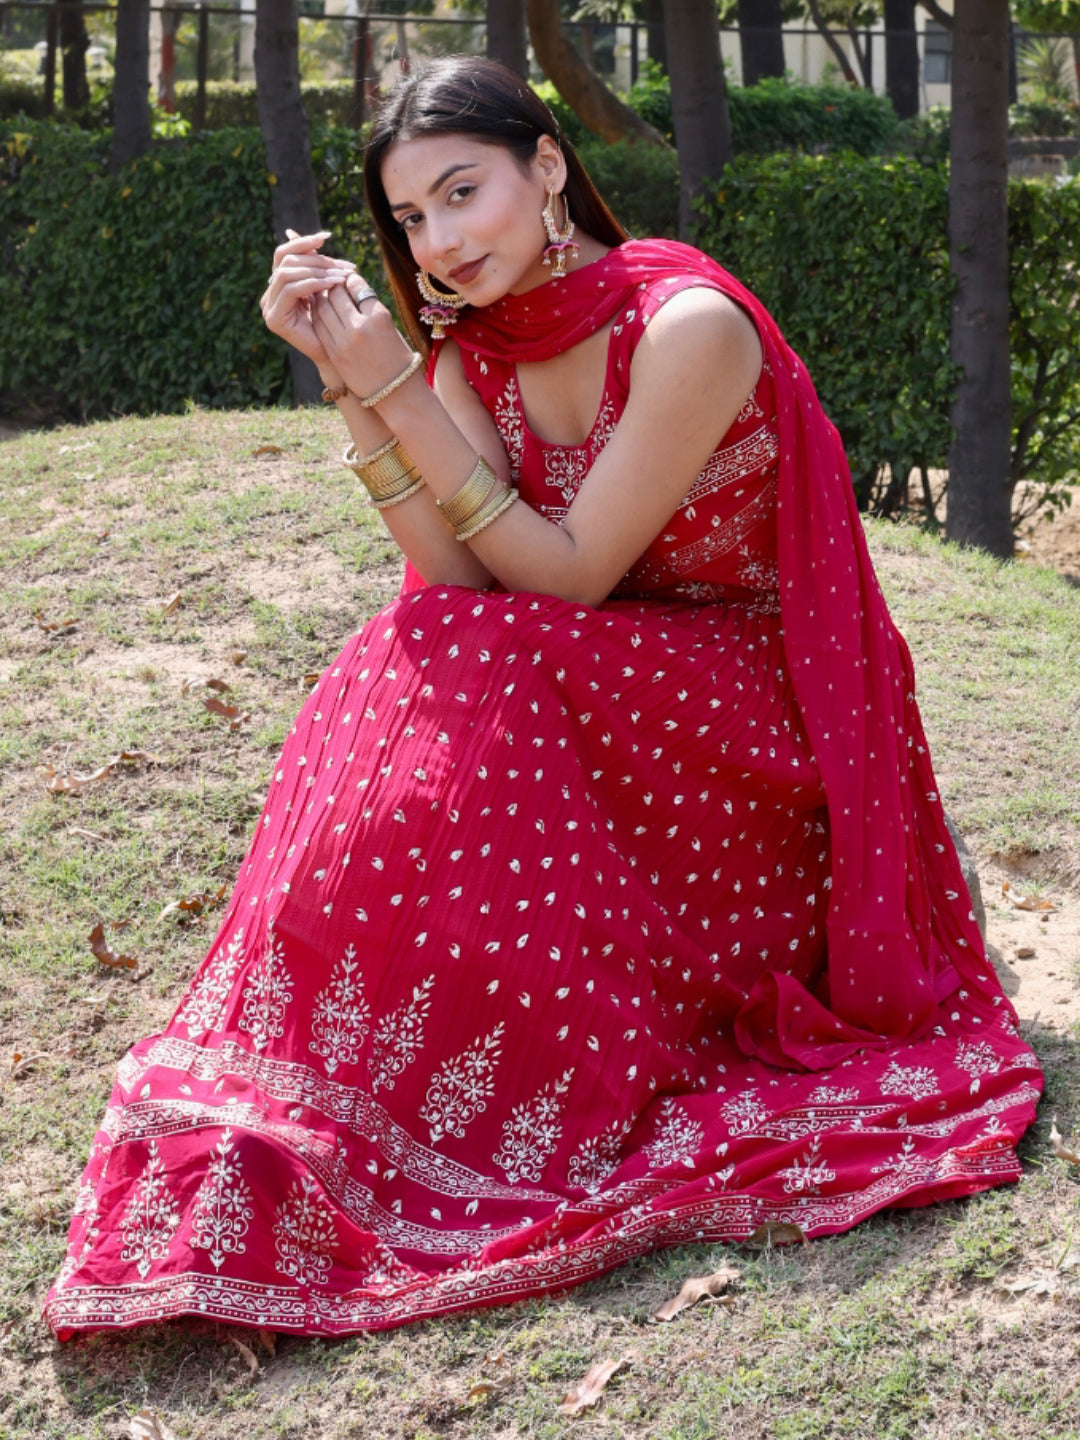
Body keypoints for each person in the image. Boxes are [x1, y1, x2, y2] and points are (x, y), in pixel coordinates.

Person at [45, 56, 1041, 1340]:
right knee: (425, 634)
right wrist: (352, 383)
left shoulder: (687, 326)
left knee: (502, 650)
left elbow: (568, 576)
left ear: (551, 166)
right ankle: (340, 1081)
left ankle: (464, 1086)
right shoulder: (483, 345)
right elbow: (454, 573)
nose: (441, 243)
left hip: (748, 720)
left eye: (464, 193)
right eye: (411, 218)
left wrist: (395, 382)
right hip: (606, 694)